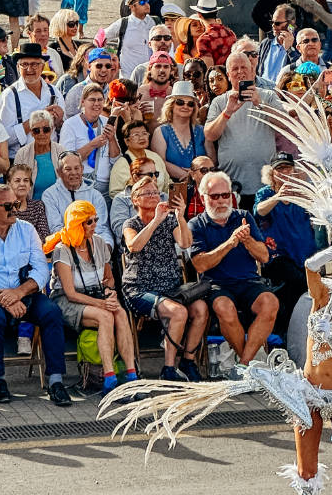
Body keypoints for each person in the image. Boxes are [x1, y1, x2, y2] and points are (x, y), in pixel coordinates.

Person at [0, 184, 68, 404]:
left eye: (17, 204)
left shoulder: (27, 229)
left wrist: (18, 293)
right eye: (9, 205)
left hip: (23, 292)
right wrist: (4, 298)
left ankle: (56, 380)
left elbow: (41, 269)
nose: (16, 210)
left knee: (52, 313)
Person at [47, 200, 138, 394]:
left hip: (96, 294)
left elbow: (109, 279)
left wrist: (110, 295)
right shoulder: (62, 249)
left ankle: (131, 374)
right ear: (77, 223)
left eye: (95, 220)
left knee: (120, 313)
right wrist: (102, 303)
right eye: (89, 222)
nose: (94, 225)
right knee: (105, 316)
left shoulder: (99, 243)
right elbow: (70, 293)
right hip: (66, 300)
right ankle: (109, 378)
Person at [122, 174, 207, 380]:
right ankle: (168, 368)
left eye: (155, 192)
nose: (153, 196)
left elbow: (186, 244)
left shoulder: (170, 221)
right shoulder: (131, 223)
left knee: (201, 309)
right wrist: (156, 220)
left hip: (170, 286)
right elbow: (135, 246)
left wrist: (180, 216)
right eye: (147, 193)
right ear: (135, 199)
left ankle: (188, 361)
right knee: (178, 312)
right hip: (140, 288)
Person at [189, 170, 278, 366]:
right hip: (216, 285)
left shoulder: (243, 217)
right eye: (215, 196)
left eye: (225, 195)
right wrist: (230, 243)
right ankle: (251, 366)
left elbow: (263, 256)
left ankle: (245, 364)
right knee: (224, 307)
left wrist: (247, 241)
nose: (221, 201)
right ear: (203, 198)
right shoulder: (196, 224)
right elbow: (200, 264)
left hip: (248, 281)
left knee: (270, 303)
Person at [205, 53, 282, 207]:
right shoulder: (219, 102)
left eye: (244, 67)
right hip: (233, 185)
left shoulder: (268, 96)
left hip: (266, 183)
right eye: (235, 69)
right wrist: (227, 112)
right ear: (228, 75)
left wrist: (260, 104)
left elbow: (284, 123)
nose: (240, 72)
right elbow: (210, 134)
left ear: (253, 71)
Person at [254, 152, 317, 332]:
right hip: (278, 255)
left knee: (304, 288)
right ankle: (288, 332)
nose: (284, 172)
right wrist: (277, 197)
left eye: (287, 168)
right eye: (279, 169)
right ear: (272, 173)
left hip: (304, 253)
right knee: (297, 283)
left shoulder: (303, 190)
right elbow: (259, 211)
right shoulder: (265, 193)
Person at [0, 42, 65, 159]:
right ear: (18, 68)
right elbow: (2, 139)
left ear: (42, 67)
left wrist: (59, 122)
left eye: (34, 64)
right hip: (21, 162)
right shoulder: (9, 95)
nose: (29, 69)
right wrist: (34, 122)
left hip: (51, 158)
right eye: (24, 64)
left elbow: (63, 131)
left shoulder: (54, 92)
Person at [59, 83, 120, 199]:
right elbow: (67, 162)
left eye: (100, 100)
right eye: (92, 100)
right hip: (81, 186)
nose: (96, 104)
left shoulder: (106, 121)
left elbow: (115, 158)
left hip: (105, 188)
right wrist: (92, 145)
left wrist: (112, 140)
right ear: (83, 102)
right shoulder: (70, 125)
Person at [42, 150, 113, 247]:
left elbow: (101, 228)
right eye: (68, 169)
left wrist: (106, 248)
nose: (73, 173)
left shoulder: (95, 195)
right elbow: (56, 229)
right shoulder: (50, 195)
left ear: (82, 169)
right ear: (59, 172)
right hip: (66, 247)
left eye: (77, 168)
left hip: (94, 246)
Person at [151, 80, 210, 182]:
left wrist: (198, 174)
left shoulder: (202, 130)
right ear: (171, 105)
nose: (185, 106)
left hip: (201, 185)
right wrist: (188, 176)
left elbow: (212, 159)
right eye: (180, 102)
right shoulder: (160, 131)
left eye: (190, 104)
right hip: (173, 186)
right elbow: (160, 162)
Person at [103, 0, 156, 77]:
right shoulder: (123, 24)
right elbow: (100, 37)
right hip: (128, 78)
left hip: (150, 77)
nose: (147, 5)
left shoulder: (154, 22)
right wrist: (112, 55)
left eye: (147, 1)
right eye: (142, 3)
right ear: (132, 6)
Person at [109, 119, 169, 198]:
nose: (141, 137)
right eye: (136, 135)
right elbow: (114, 194)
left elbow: (167, 184)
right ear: (126, 141)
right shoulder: (121, 164)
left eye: (144, 133)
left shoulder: (156, 157)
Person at [12, 109, 62, 203]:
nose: (41, 134)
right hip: (30, 207)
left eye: (46, 129)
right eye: (36, 130)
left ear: (52, 130)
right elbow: (15, 185)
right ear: (31, 132)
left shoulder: (61, 151)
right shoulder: (22, 154)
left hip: (57, 205)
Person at [4, 164, 51, 240]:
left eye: (26, 180)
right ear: (9, 184)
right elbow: (6, 236)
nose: (22, 184)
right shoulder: (4, 208)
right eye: (17, 181)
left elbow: (44, 235)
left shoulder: (37, 206)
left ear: (30, 185)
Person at [190, 0, 237, 68]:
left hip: (217, 77)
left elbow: (208, 69)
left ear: (199, 15)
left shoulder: (204, 40)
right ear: (216, 12)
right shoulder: (231, 34)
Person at [259, 4, 298, 84]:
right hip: (263, 91)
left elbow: (301, 69)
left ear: (291, 23)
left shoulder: (300, 43)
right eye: (272, 22)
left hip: (283, 92)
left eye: (277, 23)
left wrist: (290, 49)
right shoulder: (266, 43)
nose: (273, 26)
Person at [49, 8, 82, 73]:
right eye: (71, 24)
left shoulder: (79, 45)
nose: (75, 27)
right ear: (61, 25)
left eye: (77, 23)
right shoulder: (53, 48)